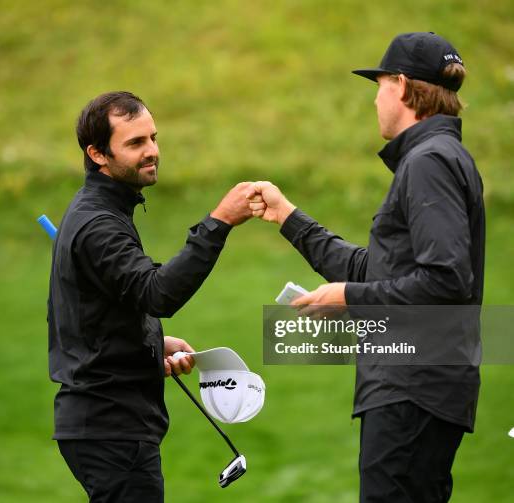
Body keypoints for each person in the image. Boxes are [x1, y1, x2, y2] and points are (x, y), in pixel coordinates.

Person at [249, 32, 485, 502]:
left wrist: (348, 298)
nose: (375, 99)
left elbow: (446, 279)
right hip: (417, 389)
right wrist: (288, 218)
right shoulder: (435, 157)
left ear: (400, 85)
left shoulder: (429, 162)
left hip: (412, 389)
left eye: (377, 85)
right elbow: (381, 269)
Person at [47, 91, 253, 502]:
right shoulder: (98, 225)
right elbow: (156, 293)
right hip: (111, 427)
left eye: (153, 138)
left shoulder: (105, 212)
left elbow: (105, 310)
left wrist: (150, 345)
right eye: (136, 143)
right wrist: (219, 222)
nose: (153, 152)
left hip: (107, 422)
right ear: (98, 153)